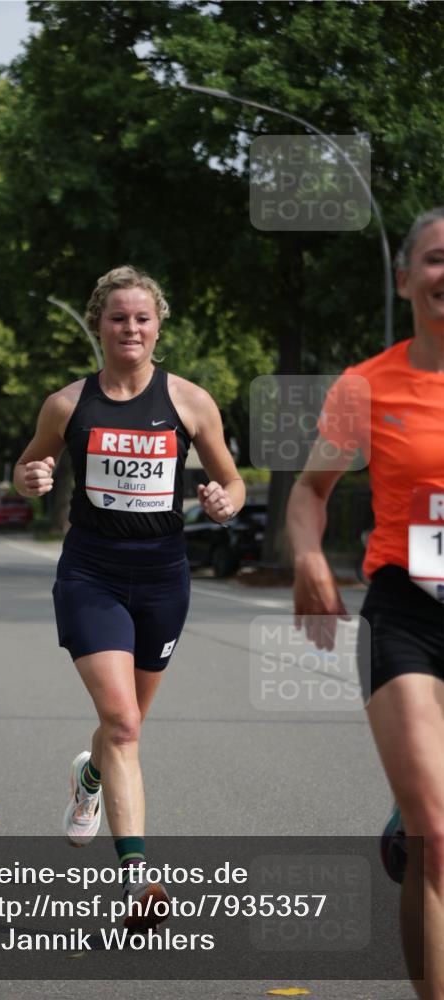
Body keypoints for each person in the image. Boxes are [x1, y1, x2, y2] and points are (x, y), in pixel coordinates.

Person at [14, 266, 245, 930]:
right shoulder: (67, 404)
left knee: (125, 728)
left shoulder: (191, 402)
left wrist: (221, 501)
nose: (131, 328)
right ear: (98, 324)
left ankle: (89, 780)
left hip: (163, 578)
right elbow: (28, 467)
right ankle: (137, 880)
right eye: (118, 317)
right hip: (92, 574)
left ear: (158, 324)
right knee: (122, 724)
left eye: (142, 317)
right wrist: (30, 477)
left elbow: (228, 484)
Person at [287, 208, 444, 998]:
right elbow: (310, 492)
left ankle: (405, 808)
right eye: (435, 259)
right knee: (436, 839)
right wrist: (310, 556)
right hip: (407, 610)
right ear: (405, 276)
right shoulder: (366, 384)